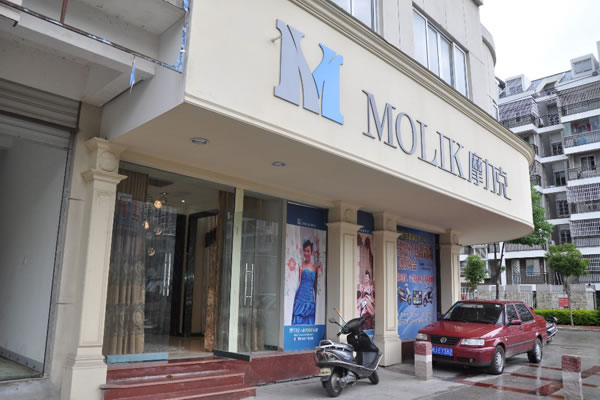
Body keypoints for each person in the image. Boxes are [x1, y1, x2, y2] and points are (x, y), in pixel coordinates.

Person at [292, 240, 322, 325]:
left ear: (311, 252)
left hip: (310, 298)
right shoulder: (300, 266)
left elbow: (315, 286)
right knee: (298, 319)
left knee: (309, 321)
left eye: (308, 251)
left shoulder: (315, 268)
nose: (306, 253)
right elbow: (298, 281)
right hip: (300, 297)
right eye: (304, 251)